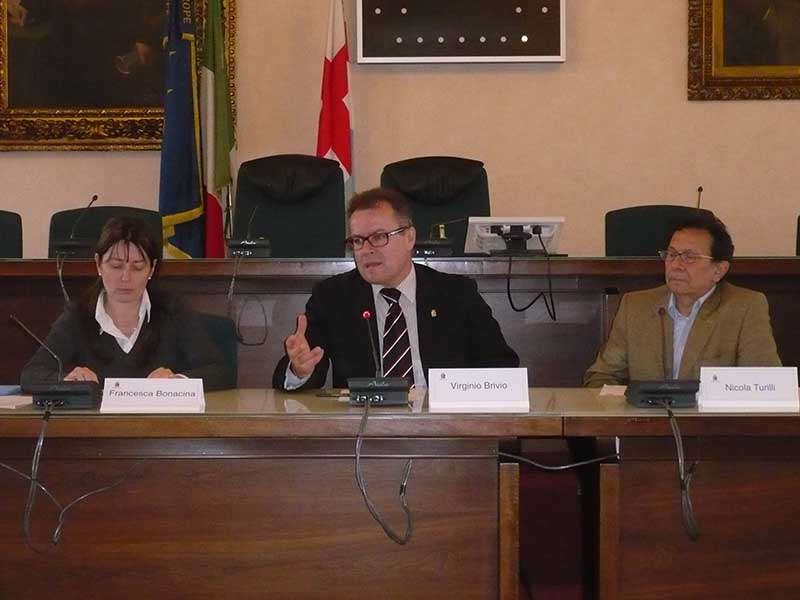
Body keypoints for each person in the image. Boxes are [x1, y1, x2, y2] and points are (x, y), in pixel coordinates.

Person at [272, 187, 519, 390]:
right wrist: (299, 370)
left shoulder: (456, 293)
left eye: (379, 237)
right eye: (357, 240)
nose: (366, 250)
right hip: (364, 428)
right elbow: (302, 368)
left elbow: (502, 366)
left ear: (409, 238)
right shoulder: (332, 296)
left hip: (445, 425)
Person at [20, 216, 234, 391]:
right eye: (116, 266)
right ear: (98, 264)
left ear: (152, 269)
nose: (125, 277)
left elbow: (221, 372)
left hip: (162, 427)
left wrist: (177, 381)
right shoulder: (79, 315)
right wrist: (68, 379)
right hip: (96, 428)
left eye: (137, 267)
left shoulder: (172, 311)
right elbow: (31, 375)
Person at [584, 212, 781, 387]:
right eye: (671, 254)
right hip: (646, 417)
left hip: (712, 418)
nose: (676, 265)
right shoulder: (635, 306)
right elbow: (602, 375)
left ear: (719, 270)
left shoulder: (745, 307)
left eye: (689, 257)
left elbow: (764, 383)